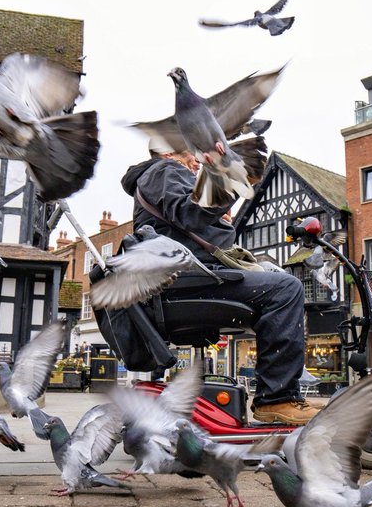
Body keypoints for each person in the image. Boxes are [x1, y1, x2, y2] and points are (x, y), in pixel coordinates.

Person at [120, 148, 321, 425]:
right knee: (286, 289)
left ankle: (280, 390)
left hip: (185, 282)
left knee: (276, 283)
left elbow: (189, 218)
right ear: (167, 151)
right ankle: (277, 399)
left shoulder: (159, 177)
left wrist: (215, 217)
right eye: (190, 153)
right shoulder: (164, 169)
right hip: (186, 285)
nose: (195, 161)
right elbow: (191, 213)